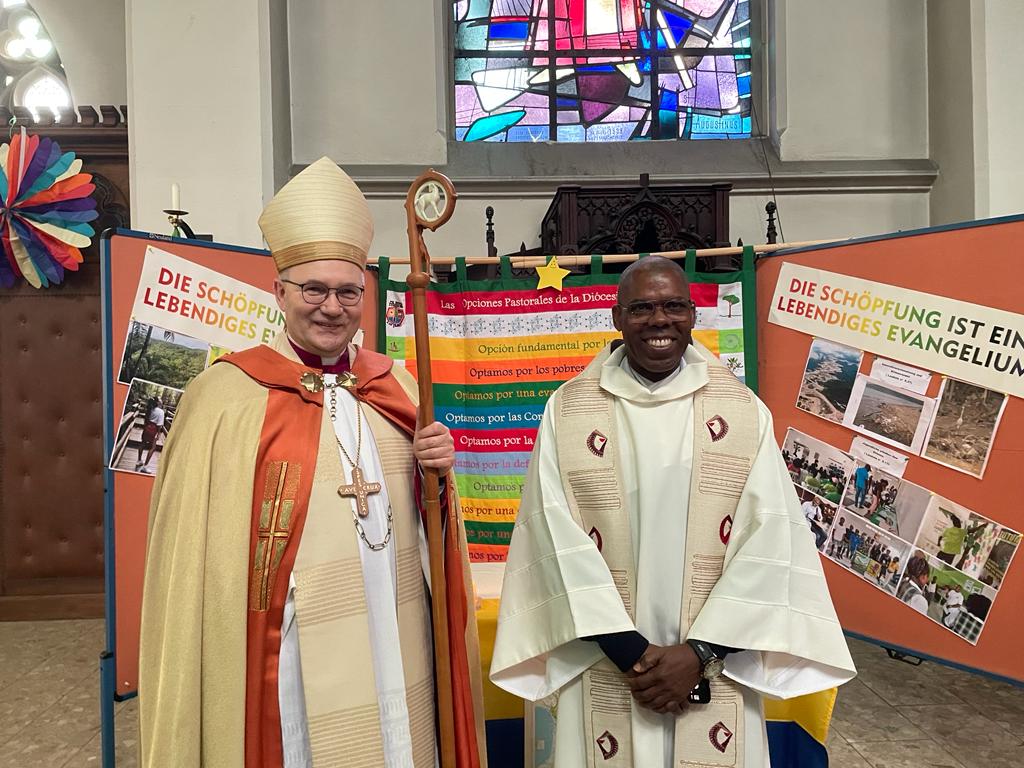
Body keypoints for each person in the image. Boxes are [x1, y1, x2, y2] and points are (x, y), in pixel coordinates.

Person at [138, 158, 486, 767]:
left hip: (396, 631)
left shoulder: (397, 385)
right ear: (280, 293)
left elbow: (429, 527)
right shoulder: (226, 396)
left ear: (364, 296)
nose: (332, 307)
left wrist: (438, 472)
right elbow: (197, 562)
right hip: (288, 650)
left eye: (348, 291)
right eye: (313, 290)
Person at [489, 257, 855, 768]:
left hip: (712, 664)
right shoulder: (569, 410)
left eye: (673, 306)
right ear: (617, 317)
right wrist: (630, 653)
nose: (659, 320)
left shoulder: (742, 412)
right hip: (607, 658)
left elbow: (770, 541)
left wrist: (698, 654)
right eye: (641, 308)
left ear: (692, 314)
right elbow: (552, 536)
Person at [134, 397, 166, 473]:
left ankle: (139, 460)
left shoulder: (150, 409)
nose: (161, 400)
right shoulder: (161, 412)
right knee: (153, 447)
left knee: (143, 443)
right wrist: (158, 434)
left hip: (147, 427)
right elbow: (159, 425)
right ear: (158, 402)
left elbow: (146, 419)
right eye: (160, 399)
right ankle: (145, 466)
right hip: (154, 429)